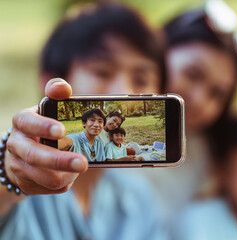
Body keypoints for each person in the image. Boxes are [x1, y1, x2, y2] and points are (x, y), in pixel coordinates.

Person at [0, 2, 166, 239]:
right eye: (102, 72)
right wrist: (6, 173)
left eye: (140, 79)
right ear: (53, 80)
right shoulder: (22, 181)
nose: (122, 91)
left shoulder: (139, 199)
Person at [142, 0, 237, 222]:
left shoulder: (210, 161)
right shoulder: (95, 129)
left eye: (217, 94)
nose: (199, 100)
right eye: (193, 74)